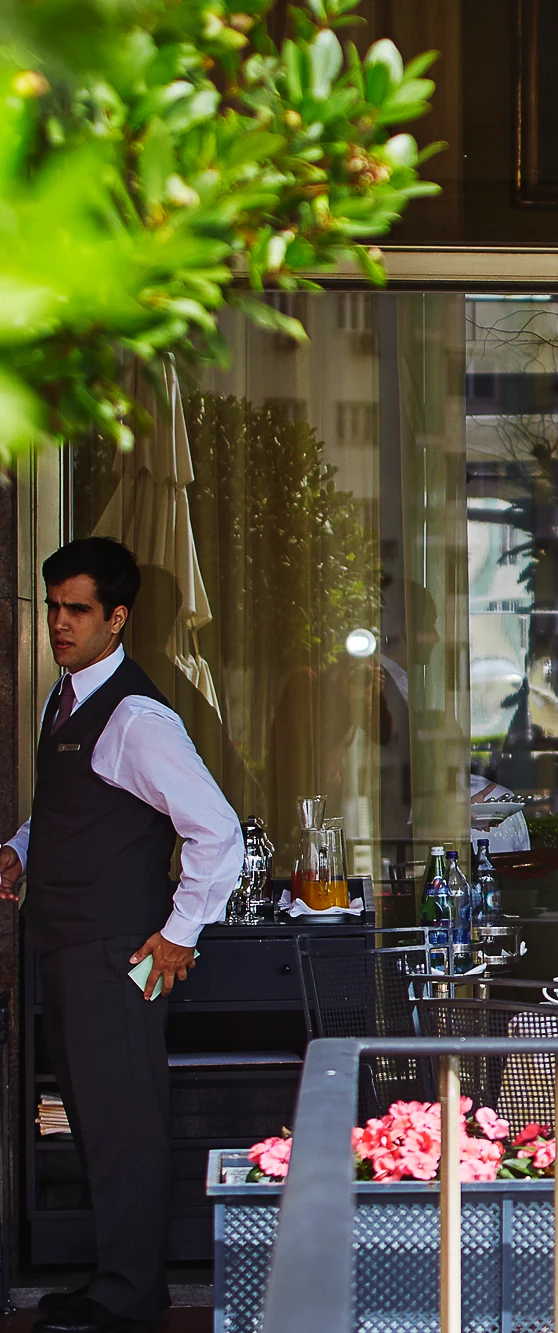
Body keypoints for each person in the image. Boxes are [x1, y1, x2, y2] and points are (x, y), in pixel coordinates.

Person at [0, 538, 244, 1333]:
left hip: (119, 955)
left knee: (123, 1119)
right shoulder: (64, 700)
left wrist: (179, 933)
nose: (59, 624)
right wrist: (20, 848)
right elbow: (76, 804)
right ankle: (115, 1277)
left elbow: (217, 831)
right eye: (53, 607)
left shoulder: (137, 716)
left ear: (117, 618)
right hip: (67, 946)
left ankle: (132, 1293)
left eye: (77, 610)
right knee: (92, 1116)